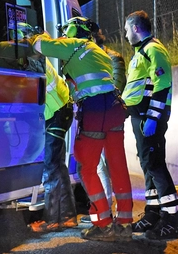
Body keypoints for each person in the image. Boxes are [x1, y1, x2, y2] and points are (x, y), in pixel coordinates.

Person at [30, 17, 133, 242]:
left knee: (87, 167)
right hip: (115, 108)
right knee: (117, 165)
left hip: (95, 110)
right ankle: (125, 224)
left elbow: (38, 45)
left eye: (67, 30)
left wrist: (41, 35)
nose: (64, 34)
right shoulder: (97, 50)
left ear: (74, 30)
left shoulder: (74, 44)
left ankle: (103, 225)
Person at [122, 10, 178, 240]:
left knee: (155, 165)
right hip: (141, 117)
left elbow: (162, 83)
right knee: (148, 164)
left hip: (148, 117)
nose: (125, 35)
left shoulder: (153, 50)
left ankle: (171, 221)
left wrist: (153, 119)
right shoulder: (141, 52)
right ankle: (153, 214)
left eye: (127, 30)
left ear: (136, 28)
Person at [79, 28, 127, 223]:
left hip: (108, 117)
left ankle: (113, 214)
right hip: (95, 117)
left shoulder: (112, 58)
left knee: (109, 165)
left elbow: (116, 86)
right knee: (98, 165)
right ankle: (104, 211)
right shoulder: (88, 58)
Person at [28, 58, 78, 232]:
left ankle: (52, 220)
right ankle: (68, 217)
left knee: (50, 168)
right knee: (58, 167)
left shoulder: (32, 57)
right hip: (60, 111)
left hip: (56, 112)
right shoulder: (38, 55)